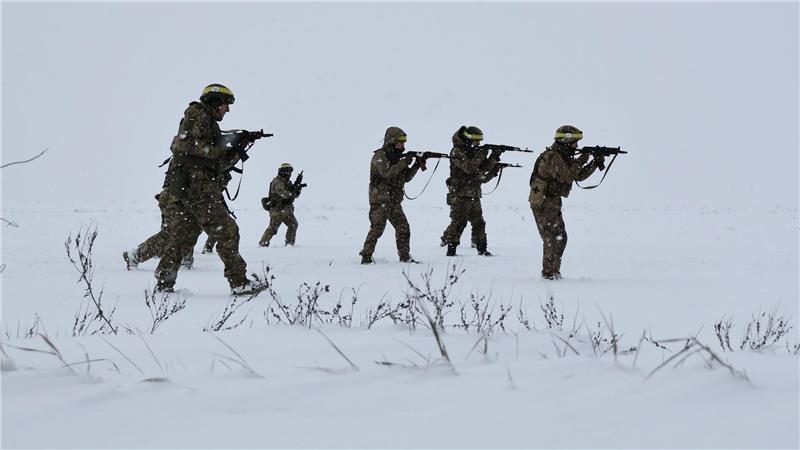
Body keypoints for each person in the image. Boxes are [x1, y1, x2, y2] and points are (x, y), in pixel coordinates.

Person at [154, 83, 254, 295]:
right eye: (225, 105)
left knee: (182, 237)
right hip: (198, 189)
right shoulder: (197, 114)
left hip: (193, 189)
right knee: (228, 232)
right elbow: (181, 146)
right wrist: (221, 147)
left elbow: (216, 163)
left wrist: (239, 147)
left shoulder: (207, 121)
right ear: (215, 102)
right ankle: (239, 283)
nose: (227, 110)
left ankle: (164, 283)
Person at [528, 125, 602, 280]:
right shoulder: (552, 156)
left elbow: (578, 176)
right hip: (543, 202)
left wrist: (594, 163)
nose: (576, 146)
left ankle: (554, 271)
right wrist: (584, 158)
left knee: (560, 237)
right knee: (551, 238)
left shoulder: (562, 156)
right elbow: (568, 175)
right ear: (565, 141)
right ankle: (549, 274)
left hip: (552, 201)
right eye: (574, 143)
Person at [359, 127, 423, 264]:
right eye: (400, 143)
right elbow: (386, 173)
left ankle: (404, 256)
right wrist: (404, 162)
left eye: (404, 143)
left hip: (393, 201)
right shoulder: (380, 156)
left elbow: (406, 177)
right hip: (380, 200)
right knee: (377, 229)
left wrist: (416, 165)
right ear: (391, 142)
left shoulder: (398, 158)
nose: (403, 146)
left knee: (403, 227)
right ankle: (366, 256)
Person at [440, 125, 501, 257]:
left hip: (473, 192)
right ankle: (451, 250)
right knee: (459, 223)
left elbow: (482, 168)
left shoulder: (473, 152)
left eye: (479, 141)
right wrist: (483, 153)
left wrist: (494, 157)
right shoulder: (457, 152)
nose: (478, 143)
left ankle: (482, 249)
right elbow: (469, 168)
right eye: (475, 141)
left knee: (479, 223)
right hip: (460, 193)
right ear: (468, 139)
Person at [123, 188, 199, 270]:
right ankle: (135, 256)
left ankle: (184, 259)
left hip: (184, 200)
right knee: (170, 234)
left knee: (189, 229)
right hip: (174, 200)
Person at [258, 163, 301, 247]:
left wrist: (297, 190)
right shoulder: (278, 181)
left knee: (293, 225)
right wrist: (293, 192)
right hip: (278, 210)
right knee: (273, 228)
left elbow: (293, 195)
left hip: (287, 210)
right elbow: (283, 193)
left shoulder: (287, 182)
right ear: (282, 171)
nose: (289, 173)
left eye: (290, 172)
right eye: (287, 171)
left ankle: (289, 244)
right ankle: (263, 243)